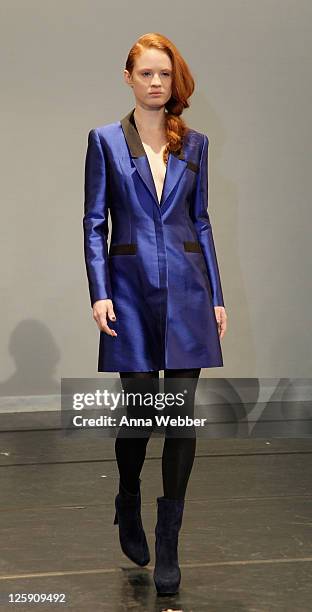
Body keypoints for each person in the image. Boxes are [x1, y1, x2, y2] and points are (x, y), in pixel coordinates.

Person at [83, 32, 227, 596]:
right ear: (129, 77)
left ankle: (170, 540)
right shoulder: (104, 141)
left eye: (164, 74)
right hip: (131, 292)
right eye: (146, 73)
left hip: (189, 293)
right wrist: (99, 291)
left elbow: (203, 222)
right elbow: (95, 221)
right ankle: (127, 494)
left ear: (174, 79)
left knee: (182, 416)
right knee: (143, 414)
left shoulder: (195, 143)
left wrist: (216, 294)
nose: (156, 83)